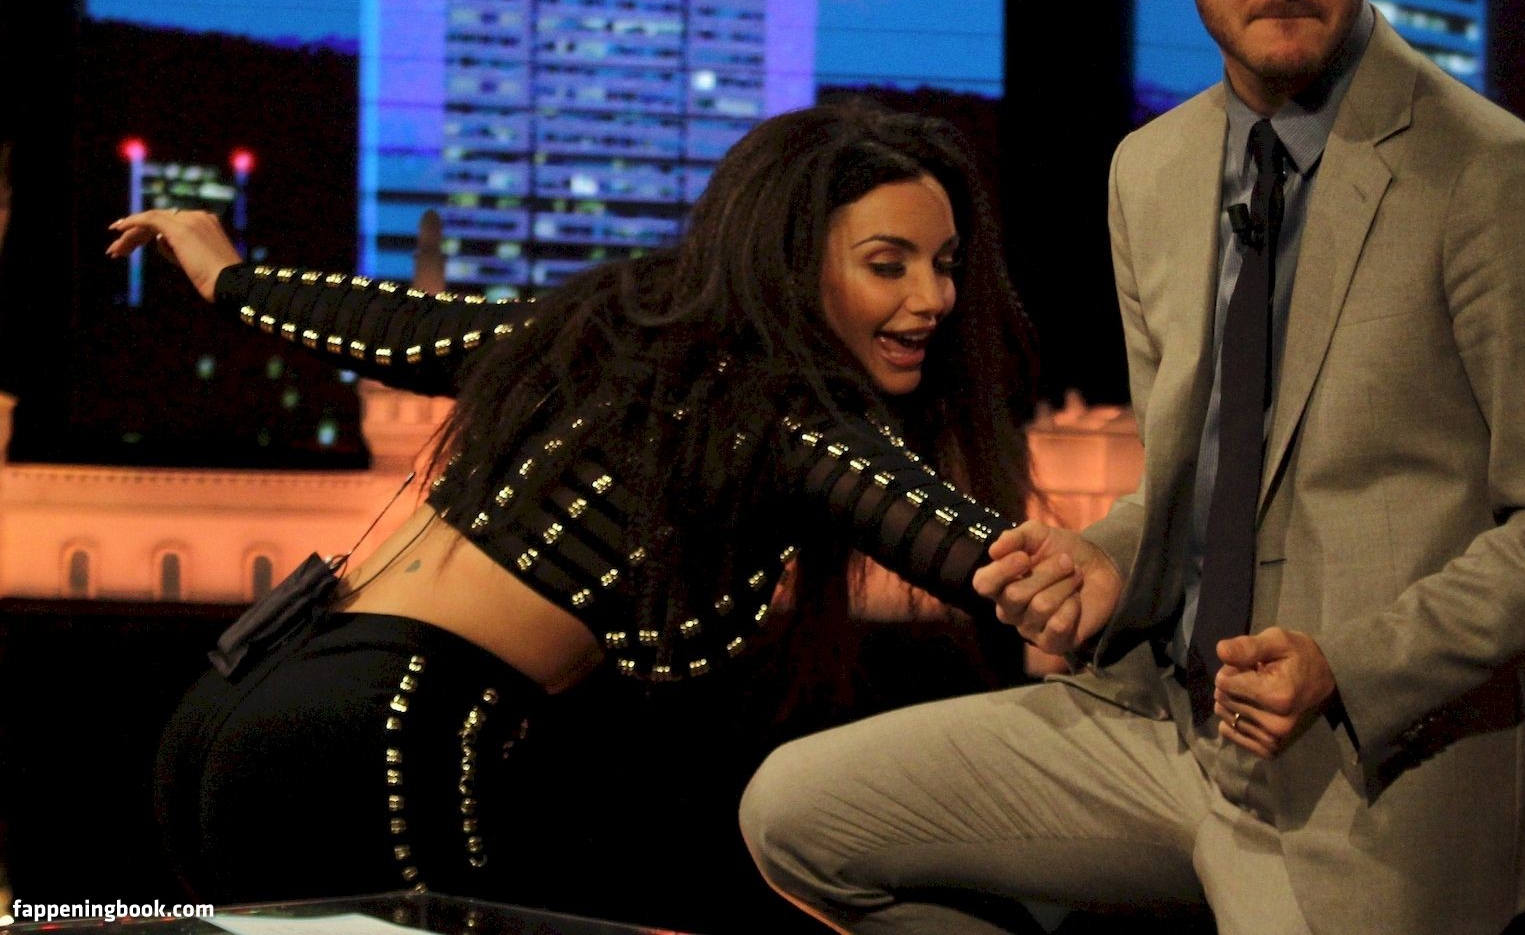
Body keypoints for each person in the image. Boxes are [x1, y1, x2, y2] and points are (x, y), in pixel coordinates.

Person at [739, 0, 1525, 934]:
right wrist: (1113, 559)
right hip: (1156, 725)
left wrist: (1349, 664)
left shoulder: (1492, 179)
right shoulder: (1151, 172)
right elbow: (1200, 481)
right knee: (796, 813)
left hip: (1370, 781)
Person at [114, 101, 1036, 909]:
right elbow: (954, 542)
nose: (935, 299)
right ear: (792, 261)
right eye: (889, 265)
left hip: (245, 698)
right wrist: (1082, 579)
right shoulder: (787, 413)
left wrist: (228, 279)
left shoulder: (610, 327)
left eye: (946, 263)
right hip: (379, 737)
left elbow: (405, 328)